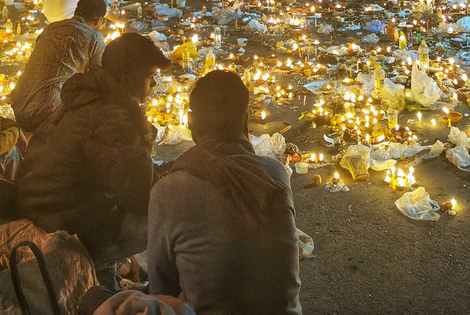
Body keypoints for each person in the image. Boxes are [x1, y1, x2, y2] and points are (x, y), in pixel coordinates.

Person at [16, 32, 170, 283]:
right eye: (149, 76)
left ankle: (111, 271)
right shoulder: (112, 118)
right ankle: (137, 283)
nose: (152, 86)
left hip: (41, 207)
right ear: (128, 78)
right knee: (173, 218)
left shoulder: (88, 95)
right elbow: (141, 198)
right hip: (64, 225)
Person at [147, 70, 301, 315]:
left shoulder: (168, 191)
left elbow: (160, 293)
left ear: (189, 122)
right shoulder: (275, 174)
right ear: (245, 120)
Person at [10, 0, 107, 134]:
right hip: (47, 114)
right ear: (99, 20)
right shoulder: (94, 37)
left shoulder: (50, 28)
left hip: (18, 106)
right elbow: (98, 77)